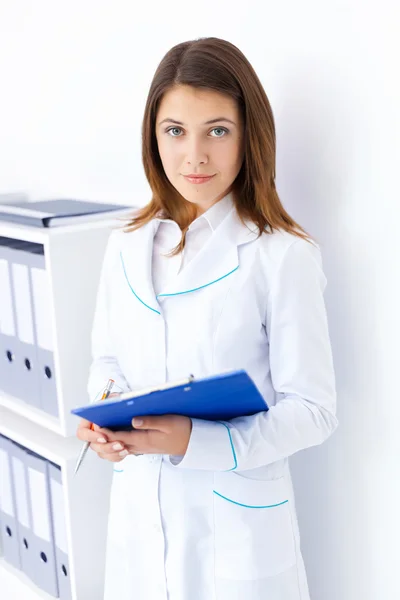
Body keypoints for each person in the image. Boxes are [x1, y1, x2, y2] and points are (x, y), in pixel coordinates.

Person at [76, 36, 338, 600]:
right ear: (153, 135)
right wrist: (107, 421)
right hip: (140, 524)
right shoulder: (124, 245)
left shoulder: (282, 255)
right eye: (175, 130)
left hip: (237, 533)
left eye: (217, 130)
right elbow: (107, 360)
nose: (194, 155)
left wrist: (194, 440)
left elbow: (313, 411)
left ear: (250, 136)